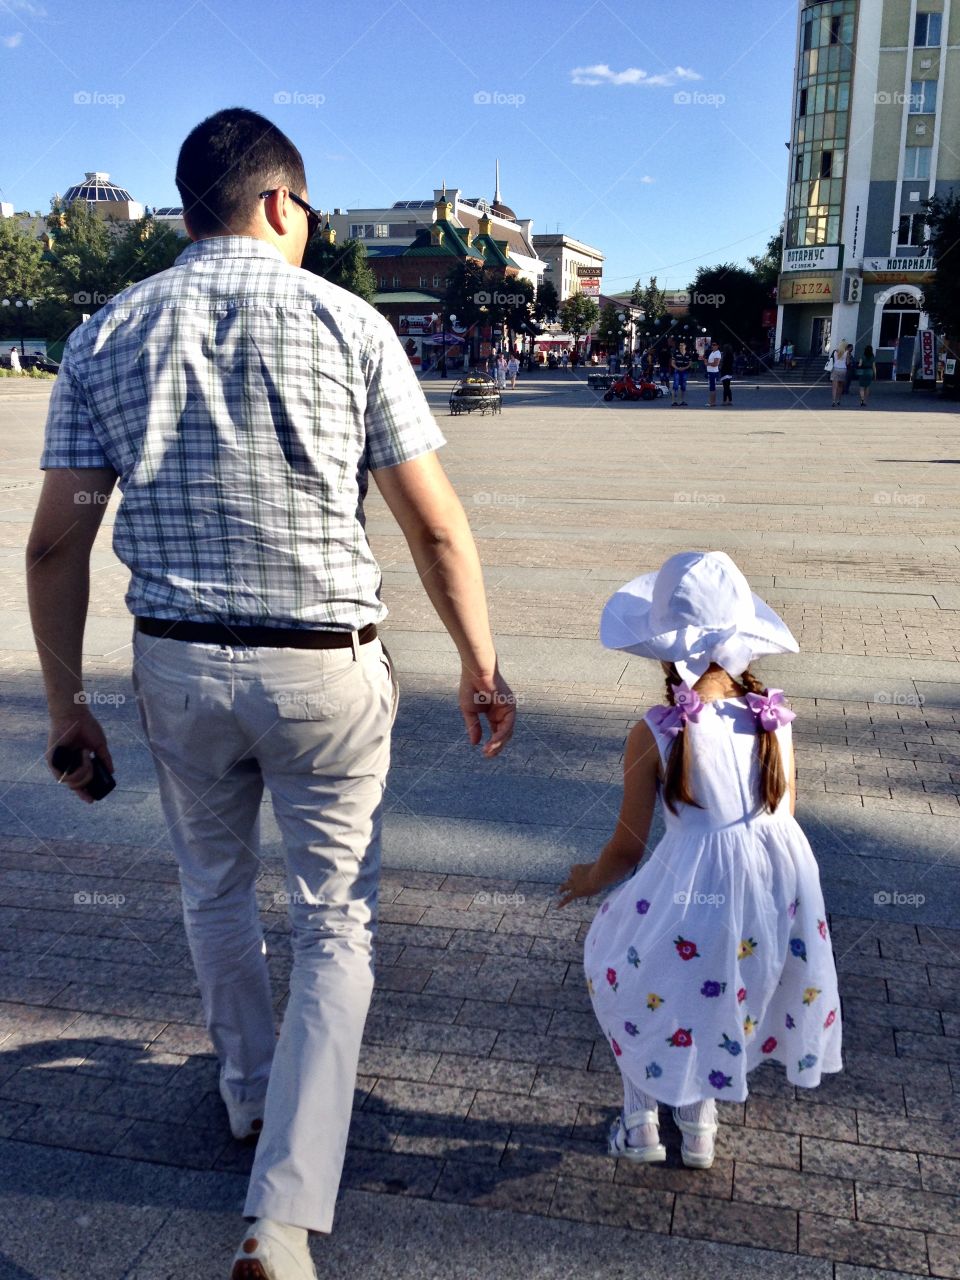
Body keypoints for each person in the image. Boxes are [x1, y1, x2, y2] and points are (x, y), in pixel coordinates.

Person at [26, 107, 515, 1280]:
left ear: (189, 208)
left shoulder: (104, 334)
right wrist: (480, 661)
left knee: (213, 885)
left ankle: (247, 1089)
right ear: (281, 203)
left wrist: (65, 705)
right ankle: (283, 1217)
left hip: (180, 664)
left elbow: (56, 543)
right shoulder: (351, 324)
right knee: (337, 917)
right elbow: (435, 527)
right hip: (324, 667)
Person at [559, 550, 841, 1169]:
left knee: (630, 974)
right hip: (768, 902)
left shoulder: (655, 731)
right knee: (713, 997)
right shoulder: (775, 720)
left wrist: (587, 880)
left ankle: (641, 1124)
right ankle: (698, 1130)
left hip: (689, 891)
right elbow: (781, 819)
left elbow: (627, 850)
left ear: (665, 652)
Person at [705, 340, 721, 406]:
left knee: (712, 388)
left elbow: (716, 364)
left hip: (713, 372)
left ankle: (712, 402)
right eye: (712, 345)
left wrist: (708, 364)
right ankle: (712, 402)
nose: (713, 346)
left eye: (714, 345)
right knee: (711, 387)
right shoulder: (712, 352)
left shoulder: (717, 353)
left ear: (717, 346)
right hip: (710, 371)